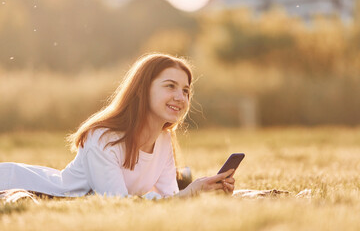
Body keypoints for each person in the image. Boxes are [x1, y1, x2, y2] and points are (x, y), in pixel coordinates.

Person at [0, 53, 235, 199]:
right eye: (170, 86)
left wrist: (204, 191)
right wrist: (188, 193)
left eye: (185, 91)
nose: (181, 97)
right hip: (20, 184)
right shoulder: (103, 138)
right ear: (143, 89)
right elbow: (118, 203)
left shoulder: (163, 141)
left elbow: (172, 200)